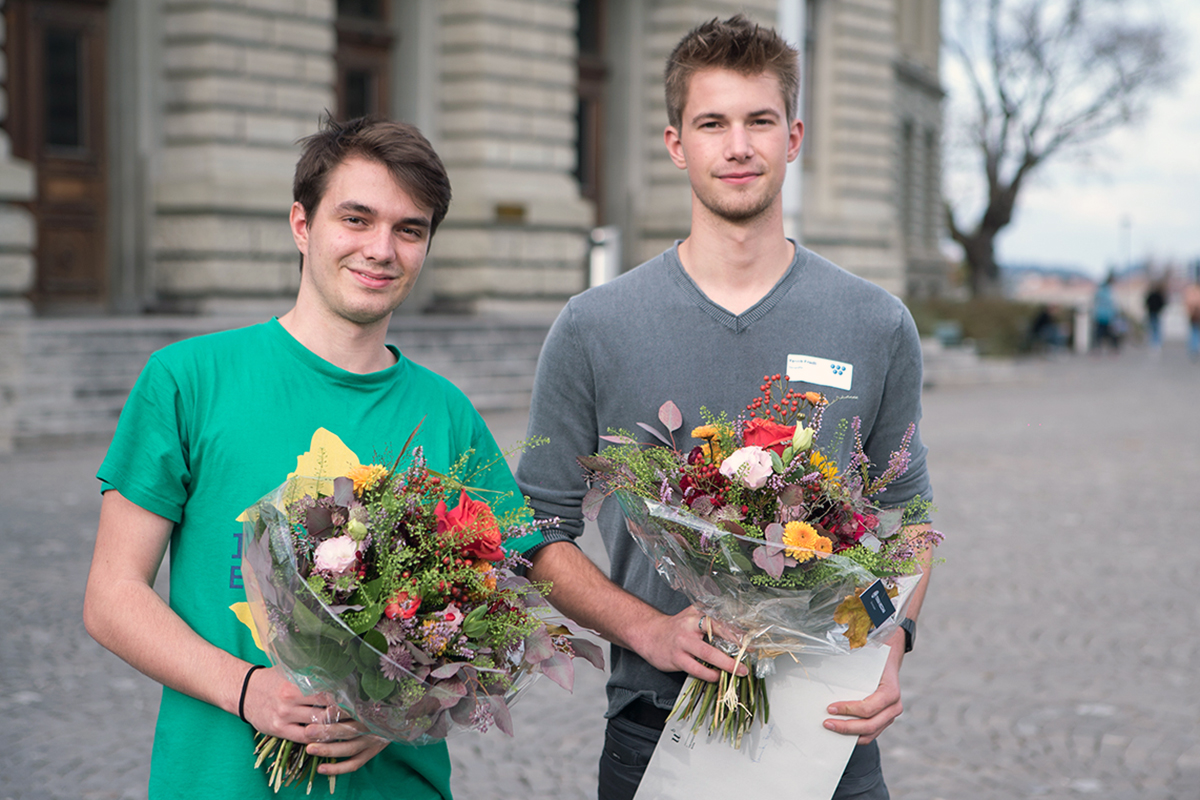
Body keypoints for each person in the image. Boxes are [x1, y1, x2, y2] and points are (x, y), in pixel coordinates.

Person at [515, 15, 934, 800]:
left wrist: (893, 646)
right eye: (713, 123)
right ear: (677, 143)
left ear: (794, 136)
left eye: (759, 122)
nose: (738, 146)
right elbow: (534, 525)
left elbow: (909, 520)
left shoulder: (876, 323)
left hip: (830, 731)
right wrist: (648, 628)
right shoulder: (594, 326)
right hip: (657, 723)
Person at [83, 116, 522, 799]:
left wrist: (405, 707)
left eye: (410, 230)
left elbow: (503, 607)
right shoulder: (188, 380)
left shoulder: (447, 413)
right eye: (356, 219)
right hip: (219, 781)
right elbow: (112, 597)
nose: (382, 249)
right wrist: (249, 689)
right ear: (301, 224)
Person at [1093, 273, 1121, 353]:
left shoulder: (1099, 290)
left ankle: (1097, 348)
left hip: (1100, 315)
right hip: (1109, 315)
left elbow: (1095, 301)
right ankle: (1113, 349)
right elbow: (1115, 304)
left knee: (1099, 333)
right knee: (1112, 333)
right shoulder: (1111, 291)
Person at [1144, 278, 1167, 351]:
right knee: (1156, 328)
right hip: (1154, 313)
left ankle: (1155, 343)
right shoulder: (1157, 295)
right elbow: (1162, 303)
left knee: (1154, 328)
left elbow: (1146, 303)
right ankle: (1156, 343)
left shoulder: (1152, 295)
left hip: (1153, 313)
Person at [1184, 277, 1200, 360]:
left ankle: (1194, 349)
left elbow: (1187, 303)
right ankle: (1195, 348)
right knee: (1195, 332)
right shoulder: (1192, 292)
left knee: (1194, 332)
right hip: (1195, 315)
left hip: (1193, 315)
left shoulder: (1190, 292)